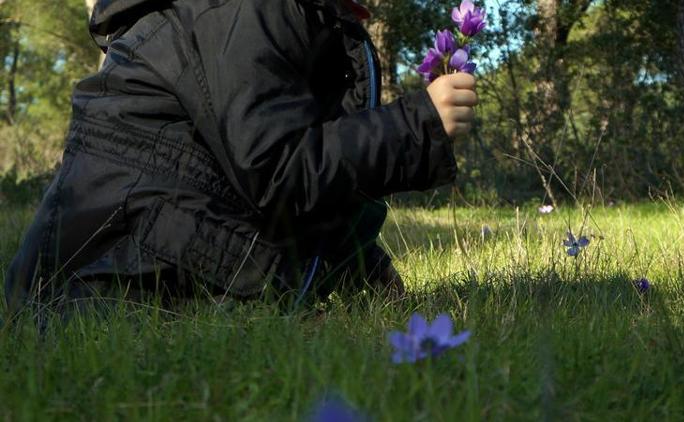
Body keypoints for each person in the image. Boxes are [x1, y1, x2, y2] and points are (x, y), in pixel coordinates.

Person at [4, 0, 478, 316]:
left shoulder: (295, 12)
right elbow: (279, 171)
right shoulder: (242, 8)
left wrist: (367, 275)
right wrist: (417, 126)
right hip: (104, 288)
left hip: (141, 260)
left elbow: (288, 163)